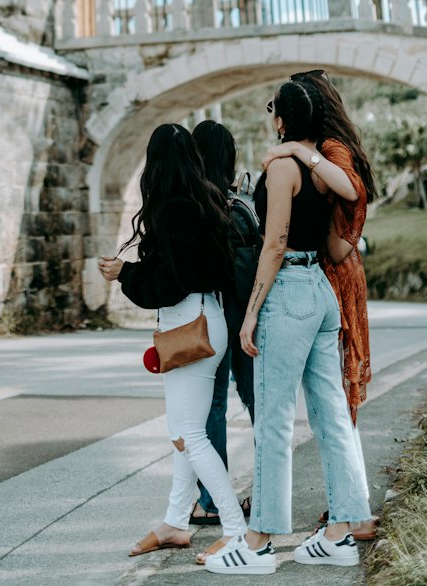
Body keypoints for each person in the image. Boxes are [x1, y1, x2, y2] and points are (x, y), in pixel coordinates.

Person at [203, 76, 371, 575]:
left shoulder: (283, 167)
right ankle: (343, 531)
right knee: (331, 415)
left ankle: (257, 544)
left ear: (280, 118)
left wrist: (252, 310)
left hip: (291, 290)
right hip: (322, 290)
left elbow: (274, 243)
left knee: (273, 421)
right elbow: (341, 222)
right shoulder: (320, 163)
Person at [97, 122, 247, 558]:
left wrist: (124, 272)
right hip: (206, 318)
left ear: (156, 163)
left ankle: (236, 531)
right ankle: (175, 522)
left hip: (189, 322)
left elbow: (171, 282)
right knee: (188, 431)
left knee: (187, 434)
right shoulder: (204, 203)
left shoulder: (177, 209)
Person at [263, 69, 378, 541]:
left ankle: (354, 512)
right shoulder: (326, 146)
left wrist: (295, 150)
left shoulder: (329, 150)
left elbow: (352, 191)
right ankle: (348, 510)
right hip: (326, 273)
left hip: (330, 274)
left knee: (336, 402)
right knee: (333, 401)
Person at [190, 119, 257, 564]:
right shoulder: (242, 204)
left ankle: (212, 501)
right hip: (247, 316)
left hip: (210, 320)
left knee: (209, 407)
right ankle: (268, 494)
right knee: (258, 402)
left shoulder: (196, 206)